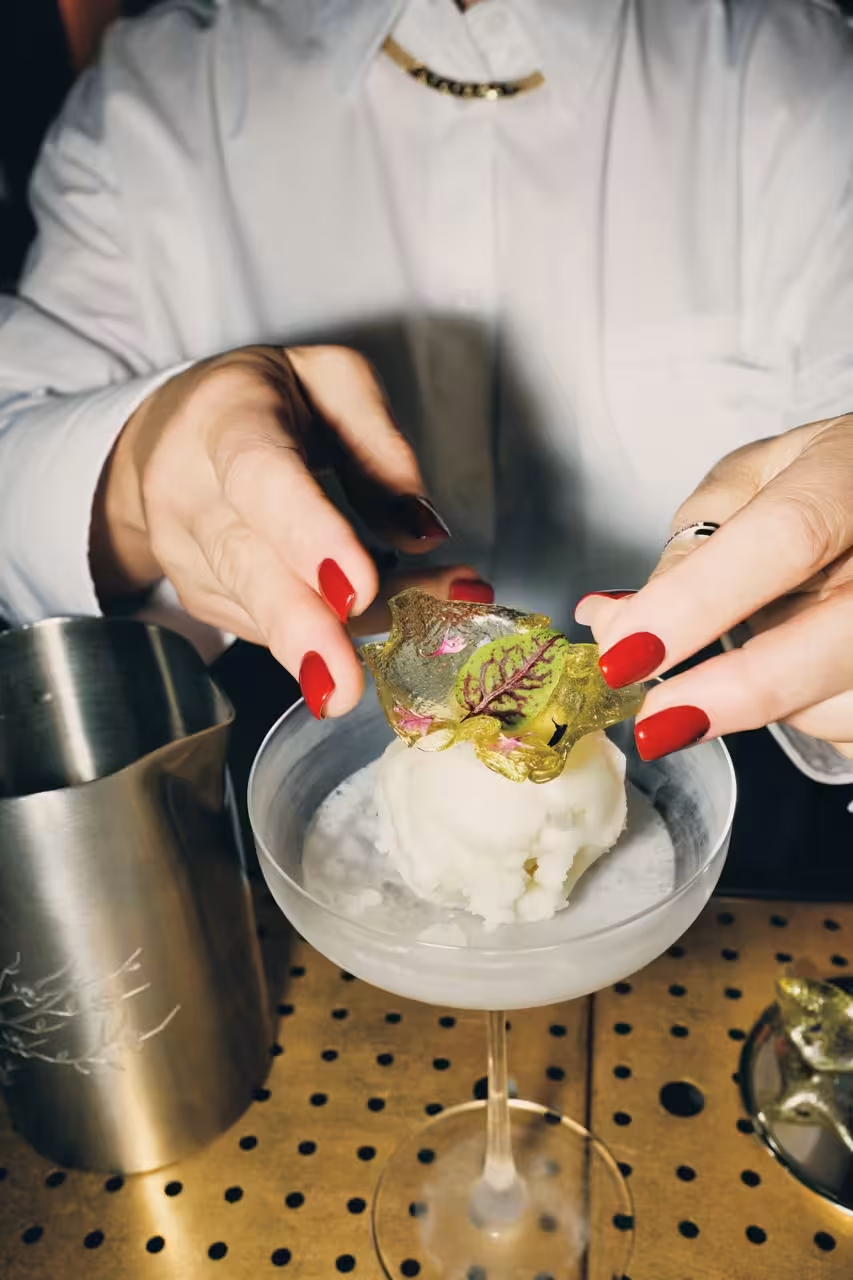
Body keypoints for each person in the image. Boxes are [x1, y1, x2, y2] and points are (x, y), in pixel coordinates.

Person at [0, 0, 852, 782]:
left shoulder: (799, 69)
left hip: (734, 791)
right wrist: (140, 467)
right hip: (270, 782)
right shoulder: (160, 89)